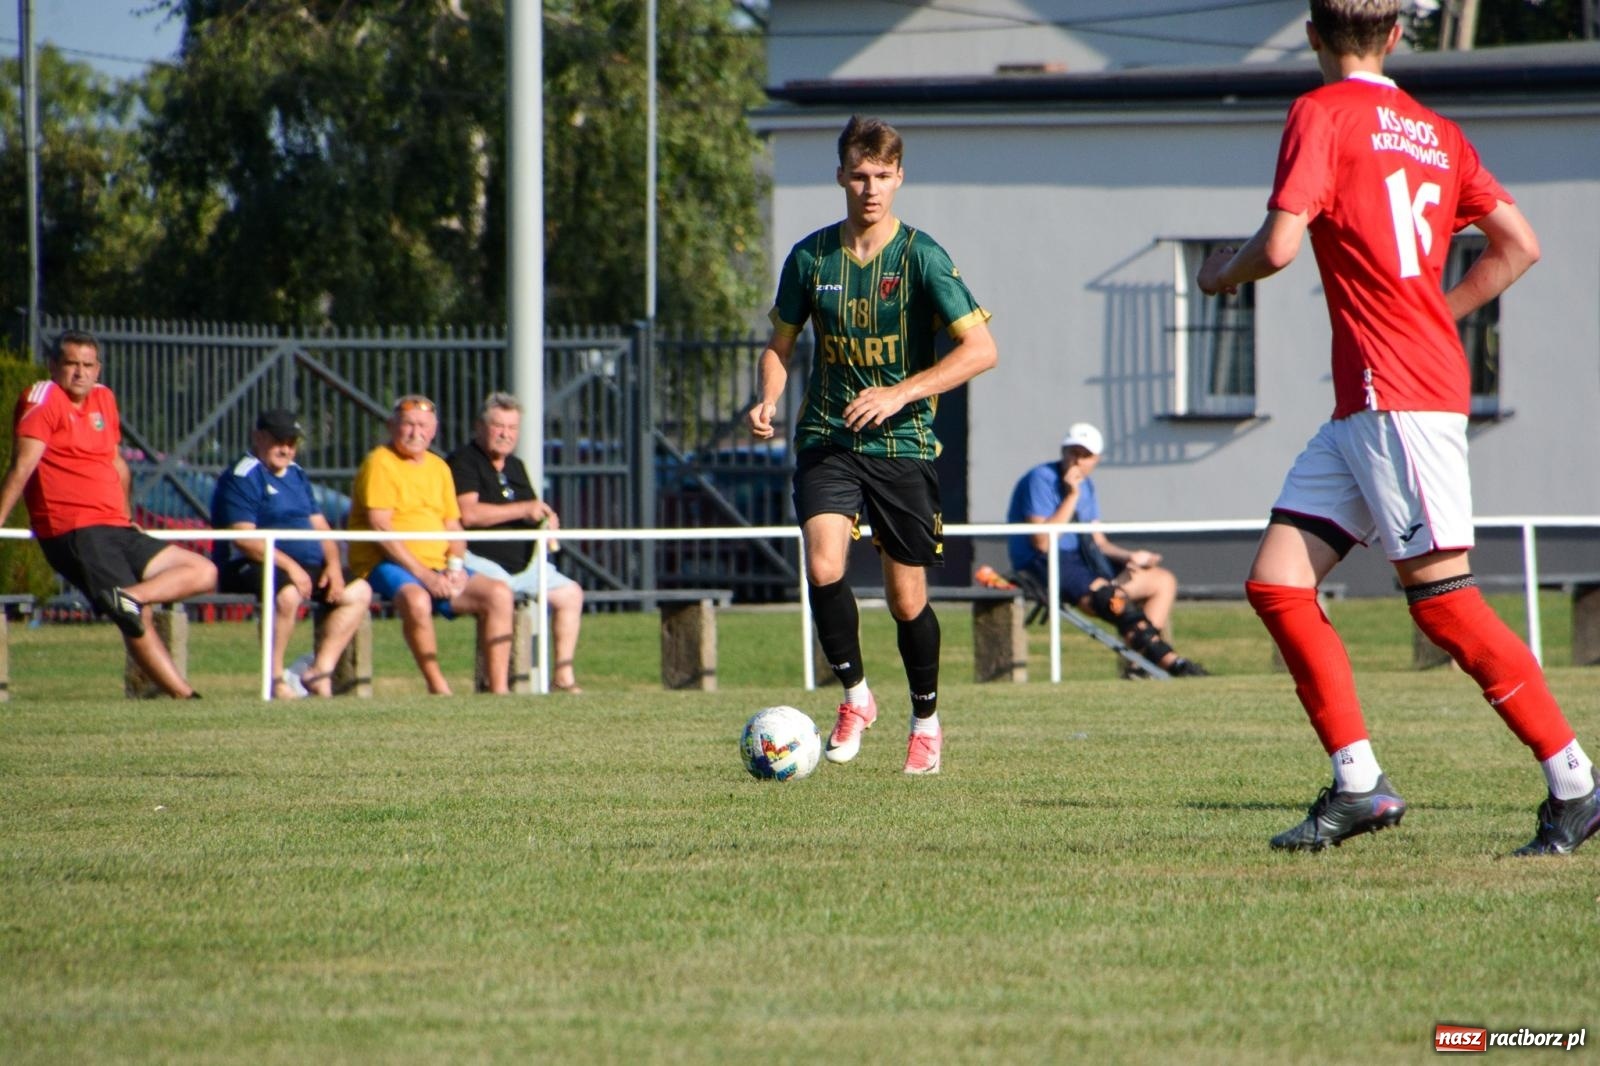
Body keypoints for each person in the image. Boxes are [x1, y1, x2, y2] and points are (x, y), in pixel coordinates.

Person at [1197, 0, 1598, 855]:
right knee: (1277, 583)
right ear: (1394, 34)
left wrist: (1220, 275)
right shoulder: (1436, 132)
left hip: (1397, 394)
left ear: (1313, 35)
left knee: (1444, 603)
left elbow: (1278, 246)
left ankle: (1577, 784)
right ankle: (1359, 784)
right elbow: (1519, 244)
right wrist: (1435, 315)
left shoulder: (1320, 111)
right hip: (1374, 398)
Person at [746, 115, 998, 776]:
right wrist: (767, 398)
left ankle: (926, 721)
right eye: (859, 175)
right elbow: (778, 347)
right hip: (827, 436)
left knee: (906, 600)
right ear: (840, 177)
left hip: (903, 443)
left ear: (899, 177)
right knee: (824, 565)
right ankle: (856, 696)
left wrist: (900, 393)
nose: (870, 188)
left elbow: (981, 350)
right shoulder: (811, 258)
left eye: (882, 176)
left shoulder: (922, 257)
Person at [0, 330, 215, 698]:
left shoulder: (104, 398)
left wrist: (127, 516)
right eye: (71, 364)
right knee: (134, 618)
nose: (80, 373)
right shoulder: (44, 397)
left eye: (88, 365)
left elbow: (117, 464)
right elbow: (22, 466)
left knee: (204, 571)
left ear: (98, 368)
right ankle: (184, 696)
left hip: (117, 526)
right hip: (77, 530)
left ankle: (130, 596)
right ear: (53, 365)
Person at [1006, 422, 1208, 677]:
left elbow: (1098, 542)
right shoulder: (1041, 478)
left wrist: (1131, 557)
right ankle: (1171, 663)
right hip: (1043, 561)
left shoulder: (1088, 486)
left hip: (1083, 557)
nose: (1077, 461)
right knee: (1109, 599)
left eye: (1085, 455)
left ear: (1096, 459)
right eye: (1073, 452)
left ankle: (1139, 667)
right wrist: (1071, 496)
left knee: (1162, 581)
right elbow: (1042, 542)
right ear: (1063, 452)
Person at [348, 395, 514, 695]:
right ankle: (438, 687)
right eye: (408, 425)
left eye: (423, 426)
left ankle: (499, 691)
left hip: (438, 565)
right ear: (392, 426)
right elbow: (380, 527)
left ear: (434, 429)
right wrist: (425, 576)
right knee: (417, 599)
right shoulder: (380, 463)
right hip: (388, 563)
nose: (416, 433)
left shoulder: (439, 467)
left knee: (499, 594)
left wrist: (455, 568)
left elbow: (453, 525)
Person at [210, 408, 373, 699]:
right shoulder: (243, 475)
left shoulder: (297, 474)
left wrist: (334, 566)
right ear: (258, 438)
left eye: (292, 443)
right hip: (252, 562)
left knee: (359, 591)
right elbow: (244, 539)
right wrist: (292, 568)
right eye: (279, 442)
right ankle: (275, 680)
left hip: (304, 564)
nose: (286, 449)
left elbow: (321, 526)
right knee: (287, 595)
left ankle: (319, 673)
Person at [446, 392, 585, 693]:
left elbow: (531, 509)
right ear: (479, 427)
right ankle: (499, 689)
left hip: (525, 565)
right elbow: (468, 514)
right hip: (480, 562)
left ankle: (563, 678)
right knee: (500, 595)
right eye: (498, 426)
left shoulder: (516, 466)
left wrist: (546, 520)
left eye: (512, 428)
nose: (505, 434)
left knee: (571, 594)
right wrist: (523, 509)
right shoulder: (463, 462)